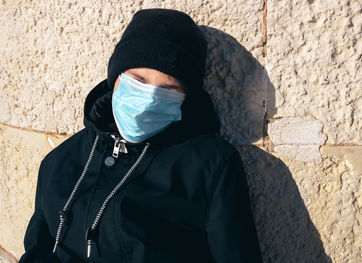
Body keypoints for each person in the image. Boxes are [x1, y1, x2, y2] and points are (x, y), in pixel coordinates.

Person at [19, 8, 263, 263]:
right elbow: (37, 248)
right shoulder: (61, 159)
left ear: (186, 98)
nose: (148, 101)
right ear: (115, 78)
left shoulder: (210, 165)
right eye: (138, 79)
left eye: (168, 89)